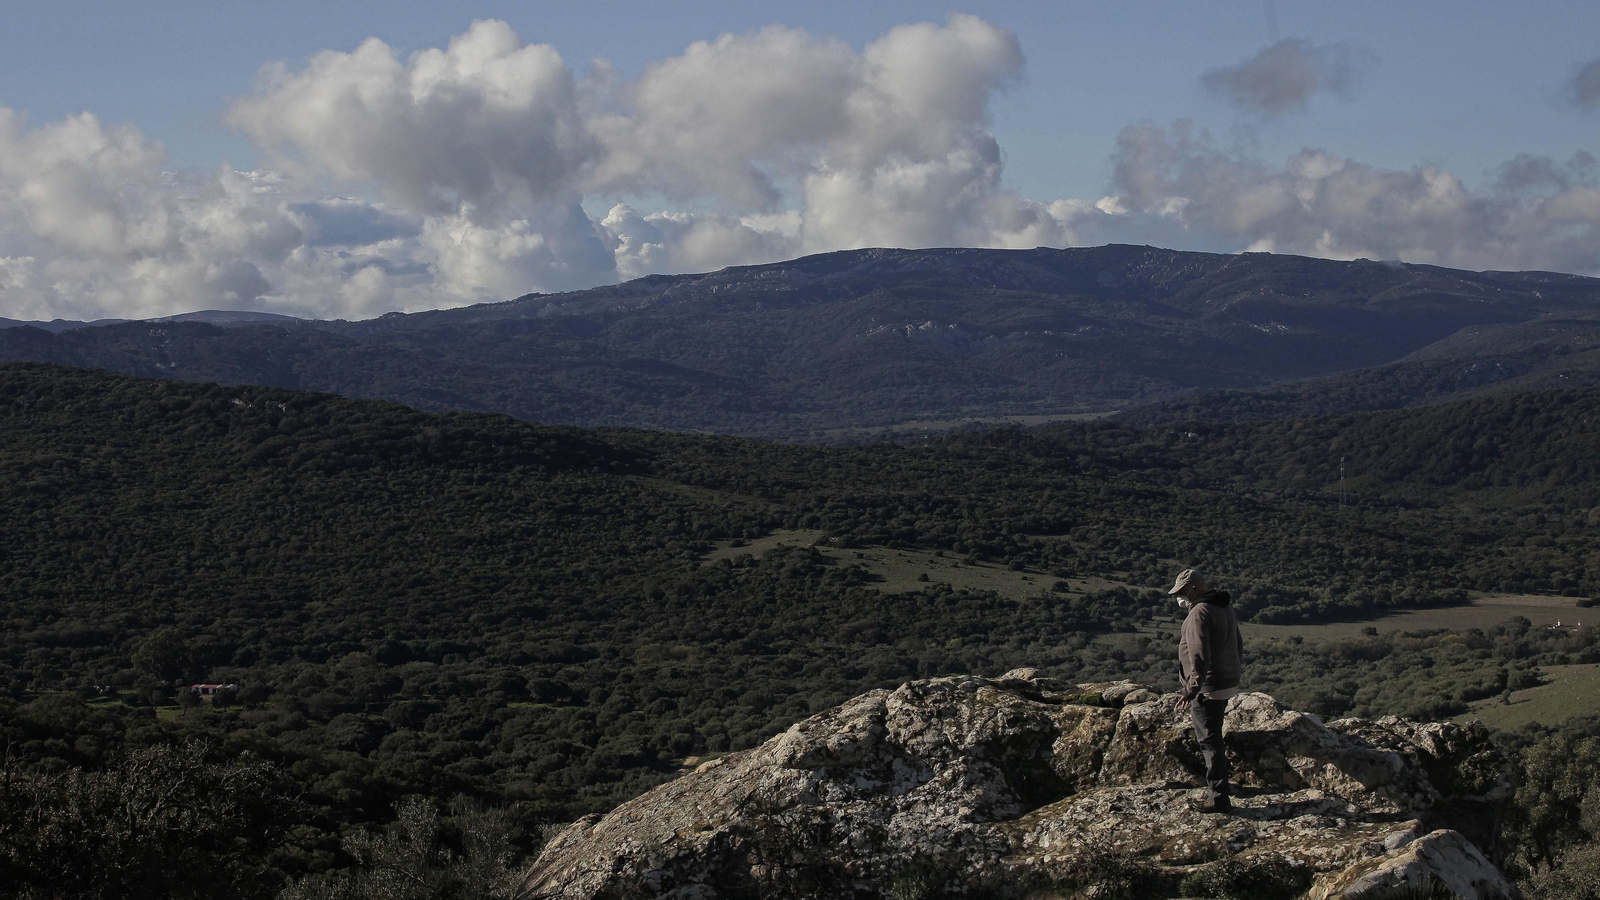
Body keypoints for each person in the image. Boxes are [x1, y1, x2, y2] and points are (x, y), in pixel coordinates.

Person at [1169, 568, 1244, 814]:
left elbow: (1199, 655)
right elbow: (1238, 643)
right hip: (1226, 681)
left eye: (1181, 591)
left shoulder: (1199, 613)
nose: (1180, 596)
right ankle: (1221, 791)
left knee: (1210, 743)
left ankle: (1218, 799)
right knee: (1215, 739)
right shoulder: (1225, 607)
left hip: (1208, 687)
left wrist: (1191, 689)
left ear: (1194, 588)